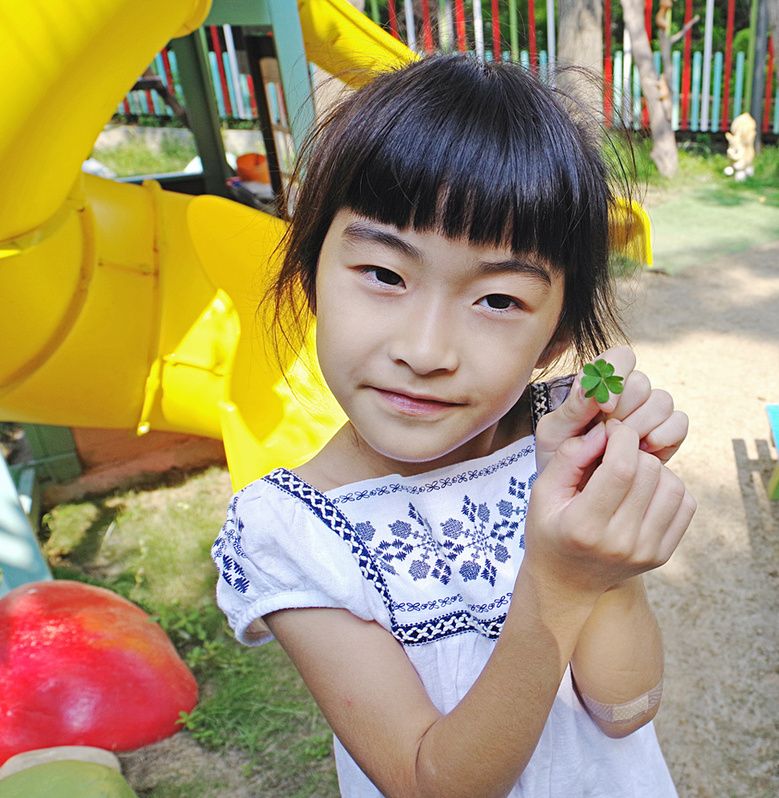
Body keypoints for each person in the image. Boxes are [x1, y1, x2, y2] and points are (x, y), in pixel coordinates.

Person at [211, 53, 696, 798]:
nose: (426, 351)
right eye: (384, 274)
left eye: (498, 300)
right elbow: (430, 782)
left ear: (558, 336)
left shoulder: (552, 449)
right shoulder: (290, 533)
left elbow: (626, 708)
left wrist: (607, 558)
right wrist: (559, 582)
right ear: (311, 270)